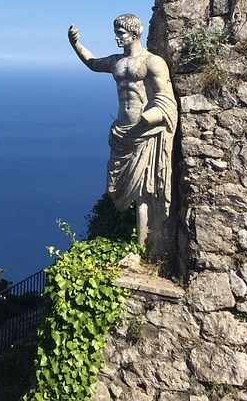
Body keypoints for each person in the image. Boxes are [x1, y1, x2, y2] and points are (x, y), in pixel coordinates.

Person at [68, 14, 177, 254]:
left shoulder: (152, 62)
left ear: (134, 33)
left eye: (120, 33)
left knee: (144, 189)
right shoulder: (116, 62)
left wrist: (152, 116)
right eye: (116, 32)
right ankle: (131, 241)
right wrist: (75, 44)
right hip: (121, 131)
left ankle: (144, 247)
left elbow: (165, 97)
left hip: (144, 131)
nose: (116, 37)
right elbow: (92, 63)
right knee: (117, 186)